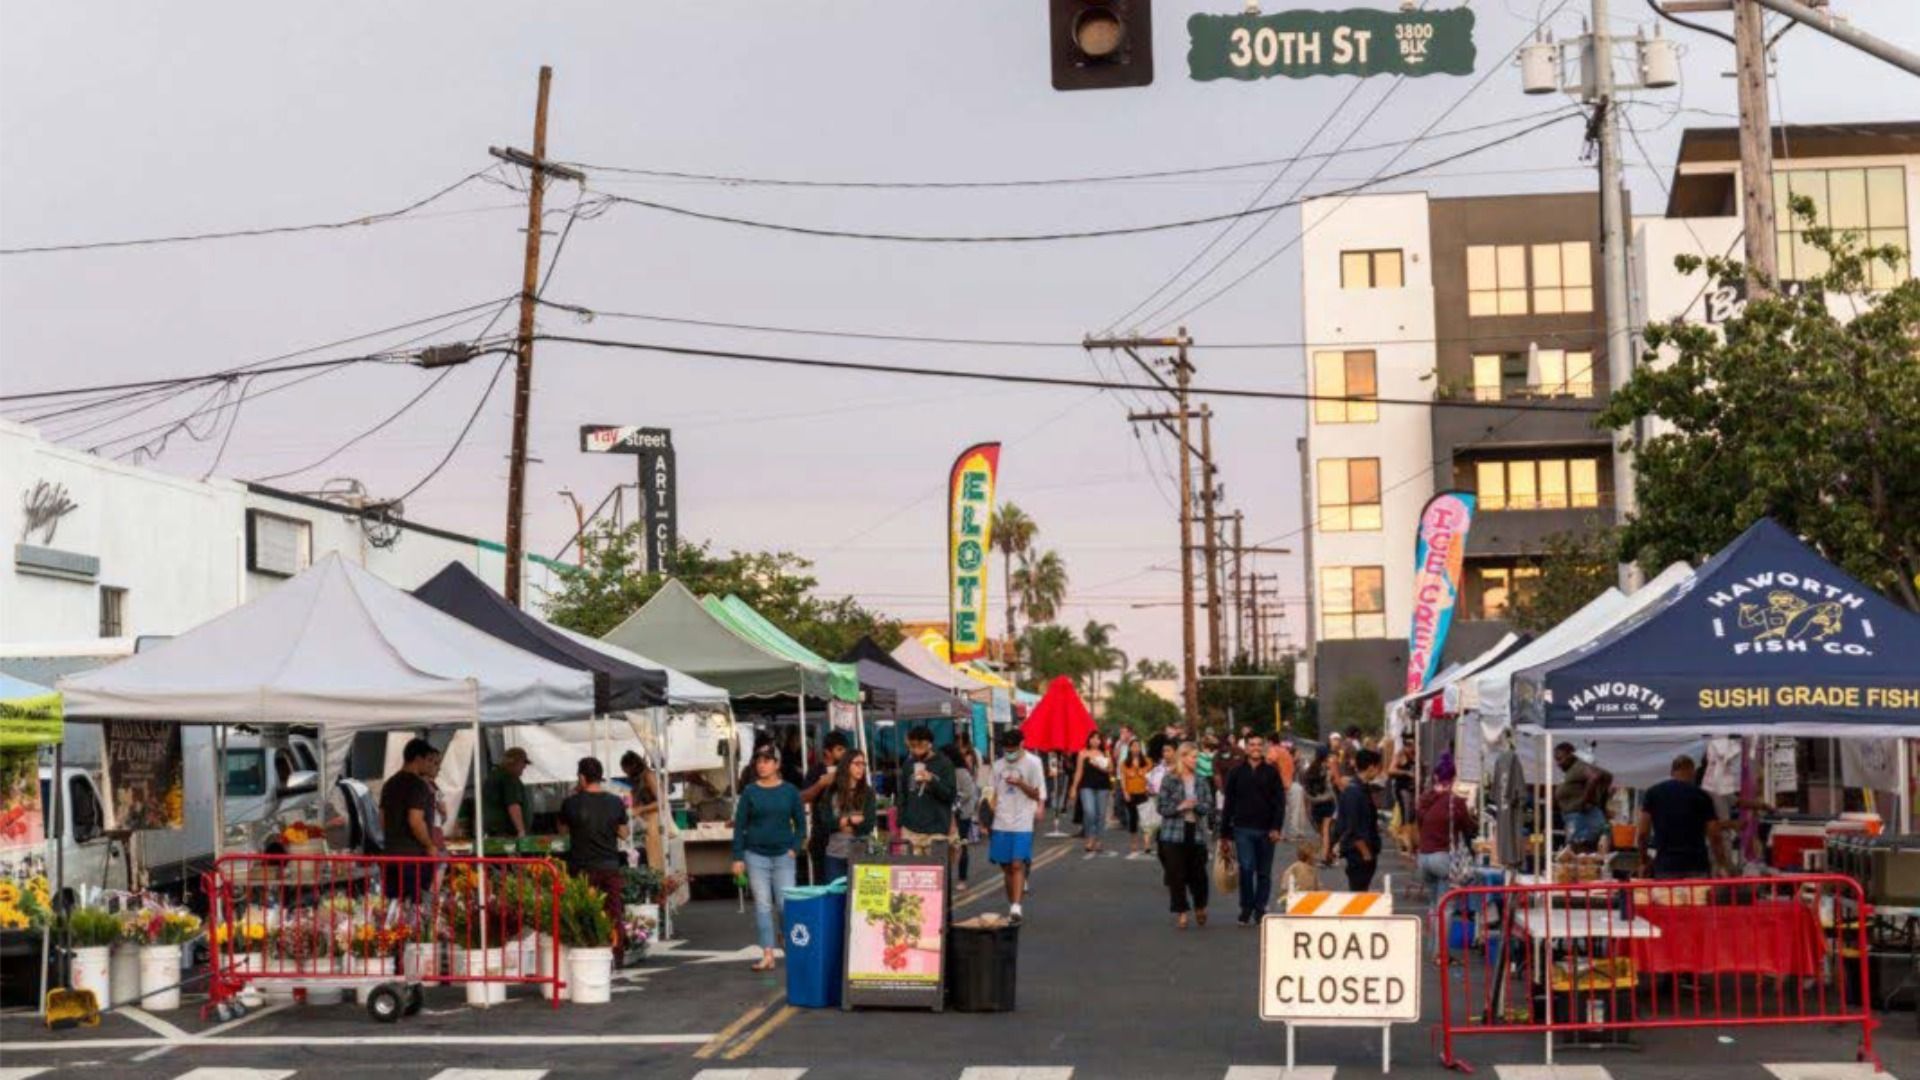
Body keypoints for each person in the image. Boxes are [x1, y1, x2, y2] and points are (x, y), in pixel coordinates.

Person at [731, 746, 806, 971]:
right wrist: (738, 857)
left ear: (777, 764)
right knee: (763, 905)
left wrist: (795, 848)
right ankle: (768, 954)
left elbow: (801, 824)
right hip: (755, 856)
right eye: (759, 761)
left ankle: (785, 935)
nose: (761, 765)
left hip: (784, 855)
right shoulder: (750, 792)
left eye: (767, 761)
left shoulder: (790, 791)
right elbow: (739, 827)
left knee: (784, 905)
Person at [559, 756, 630, 935]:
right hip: (609, 865)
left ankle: (588, 950)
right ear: (600, 776)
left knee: (583, 912)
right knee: (613, 912)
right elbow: (624, 833)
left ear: (582, 778)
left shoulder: (570, 803)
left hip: (582, 867)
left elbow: (562, 831)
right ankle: (616, 953)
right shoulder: (615, 802)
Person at [1221, 734, 1287, 925]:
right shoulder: (1236, 772)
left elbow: (1279, 803)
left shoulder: (1272, 772)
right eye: (1252, 745)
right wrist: (1225, 834)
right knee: (1247, 869)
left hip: (1267, 830)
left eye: (1259, 744)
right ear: (1246, 748)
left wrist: (1276, 827)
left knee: (1264, 872)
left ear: (1264, 747)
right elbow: (1228, 803)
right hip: (1242, 829)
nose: (1256, 748)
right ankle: (1246, 907)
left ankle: (1260, 909)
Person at [1156, 742, 1217, 929]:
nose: (1196, 760)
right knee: (1176, 874)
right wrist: (1180, 807)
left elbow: (1209, 806)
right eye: (1193, 756)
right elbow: (1161, 807)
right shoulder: (1169, 779)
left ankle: (1200, 906)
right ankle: (1181, 912)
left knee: (1198, 874)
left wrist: (1195, 805)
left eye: (1197, 757)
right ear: (1182, 757)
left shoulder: (1201, 780)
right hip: (1173, 833)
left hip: (1195, 832)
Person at [1415, 753, 1476, 938]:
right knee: (1447, 907)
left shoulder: (1424, 800)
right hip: (1443, 857)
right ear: (1454, 778)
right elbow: (1469, 829)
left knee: (1434, 905)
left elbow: (1420, 825)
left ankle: (1434, 950)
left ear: (1435, 777)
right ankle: (1440, 954)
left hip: (1424, 856)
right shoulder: (1455, 802)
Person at [989, 729, 1046, 921]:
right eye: (1006, 749)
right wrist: (986, 812)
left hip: (1023, 820)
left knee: (1016, 864)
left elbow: (1037, 794)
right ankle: (1011, 903)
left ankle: (1016, 906)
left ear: (1022, 745)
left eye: (1013, 749)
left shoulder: (1033, 763)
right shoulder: (997, 766)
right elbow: (991, 793)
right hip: (1001, 821)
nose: (1009, 753)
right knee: (1006, 866)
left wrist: (1021, 784)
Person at [1638, 754, 1722, 880]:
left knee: (1668, 900)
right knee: (1696, 899)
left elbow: (1643, 833)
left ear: (1672, 772)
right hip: (1697, 866)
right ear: (1692, 772)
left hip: (1666, 867)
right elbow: (1715, 835)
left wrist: (1643, 861)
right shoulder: (1702, 796)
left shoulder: (1653, 793)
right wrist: (1722, 863)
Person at [380, 738, 443, 904]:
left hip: (390, 855)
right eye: (428, 760)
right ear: (418, 759)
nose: (431, 765)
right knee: (414, 908)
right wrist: (429, 845)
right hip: (413, 858)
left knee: (393, 907)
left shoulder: (389, 784)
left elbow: (381, 819)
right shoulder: (417, 785)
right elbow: (415, 821)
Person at [899, 726, 957, 857]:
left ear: (929, 744)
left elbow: (950, 795)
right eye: (912, 746)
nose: (915, 750)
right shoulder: (908, 764)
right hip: (911, 829)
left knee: (937, 873)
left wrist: (931, 780)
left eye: (919, 746)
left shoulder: (944, 764)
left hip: (937, 829)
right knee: (911, 872)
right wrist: (901, 821)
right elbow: (903, 793)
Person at [801, 732, 851, 883]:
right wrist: (821, 784)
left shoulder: (850, 769)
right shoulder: (816, 771)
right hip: (822, 835)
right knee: (823, 882)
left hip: (846, 834)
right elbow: (803, 797)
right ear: (827, 752)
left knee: (848, 882)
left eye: (845, 750)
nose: (844, 754)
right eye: (839, 750)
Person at [1333, 748, 1384, 892]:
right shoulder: (1354, 792)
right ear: (1371, 767)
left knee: (1361, 891)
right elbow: (1352, 826)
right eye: (1378, 768)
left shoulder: (1360, 789)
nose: (1378, 772)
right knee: (1358, 893)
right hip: (1359, 853)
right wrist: (1365, 853)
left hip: (1364, 849)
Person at [821, 749, 876, 883]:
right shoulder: (832, 792)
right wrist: (851, 820)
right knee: (836, 896)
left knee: (858, 899)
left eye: (863, 764)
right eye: (857, 763)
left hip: (861, 853)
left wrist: (841, 823)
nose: (861, 768)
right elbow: (826, 824)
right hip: (835, 854)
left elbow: (868, 824)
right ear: (846, 765)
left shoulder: (868, 793)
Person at [1554, 742, 1612, 851]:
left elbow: (1596, 777)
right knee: (1579, 857)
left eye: (1560, 758)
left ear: (1571, 755)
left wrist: (1585, 801)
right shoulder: (1572, 770)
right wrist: (1600, 801)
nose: (1558, 763)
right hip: (1580, 820)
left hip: (1582, 822)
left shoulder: (1578, 766)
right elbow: (1606, 776)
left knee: (1579, 856)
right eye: (1556, 759)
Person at [1069, 731, 1114, 858]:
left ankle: (1098, 840)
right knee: (1089, 812)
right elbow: (1078, 772)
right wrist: (1073, 787)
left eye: (1098, 739)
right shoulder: (1083, 753)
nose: (1095, 741)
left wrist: (1100, 766)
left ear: (1101, 741)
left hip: (1102, 787)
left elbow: (1110, 770)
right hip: (1086, 786)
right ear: (1088, 740)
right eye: (1092, 738)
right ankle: (1090, 837)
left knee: (1100, 814)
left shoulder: (1105, 753)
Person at [618, 750, 664, 869]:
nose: (625, 772)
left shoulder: (649, 775)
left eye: (625, 769)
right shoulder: (637, 780)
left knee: (655, 860)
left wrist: (641, 809)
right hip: (645, 823)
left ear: (632, 766)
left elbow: (662, 801)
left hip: (655, 821)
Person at [480, 747, 532, 840]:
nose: (524, 767)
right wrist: (521, 830)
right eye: (523, 764)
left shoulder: (493, 776)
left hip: (492, 831)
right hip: (507, 834)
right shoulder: (509, 778)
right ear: (515, 763)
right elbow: (513, 805)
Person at [946, 743, 977, 883]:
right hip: (949, 815)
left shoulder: (961, 772)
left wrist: (953, 803)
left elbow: (968, 793)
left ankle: (962, 878)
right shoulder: (946, 771)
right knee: (949, 846)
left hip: (962, 815)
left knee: (961, 844)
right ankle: (948, 876)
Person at [1118, 741, 1152, 859]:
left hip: (1144, 793)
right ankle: (1134, 842)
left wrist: (1149, 789)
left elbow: (1151, 777)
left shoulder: (1147, 761)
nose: (1136, 748)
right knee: (1133, 818)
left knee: (1145, 819)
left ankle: (1147, 843)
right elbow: (1122, 779)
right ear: (1130, 749)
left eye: (1138, 746)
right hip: (1131, 793)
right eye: (1133, 746)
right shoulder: (1124, 763)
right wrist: (1125, 792)